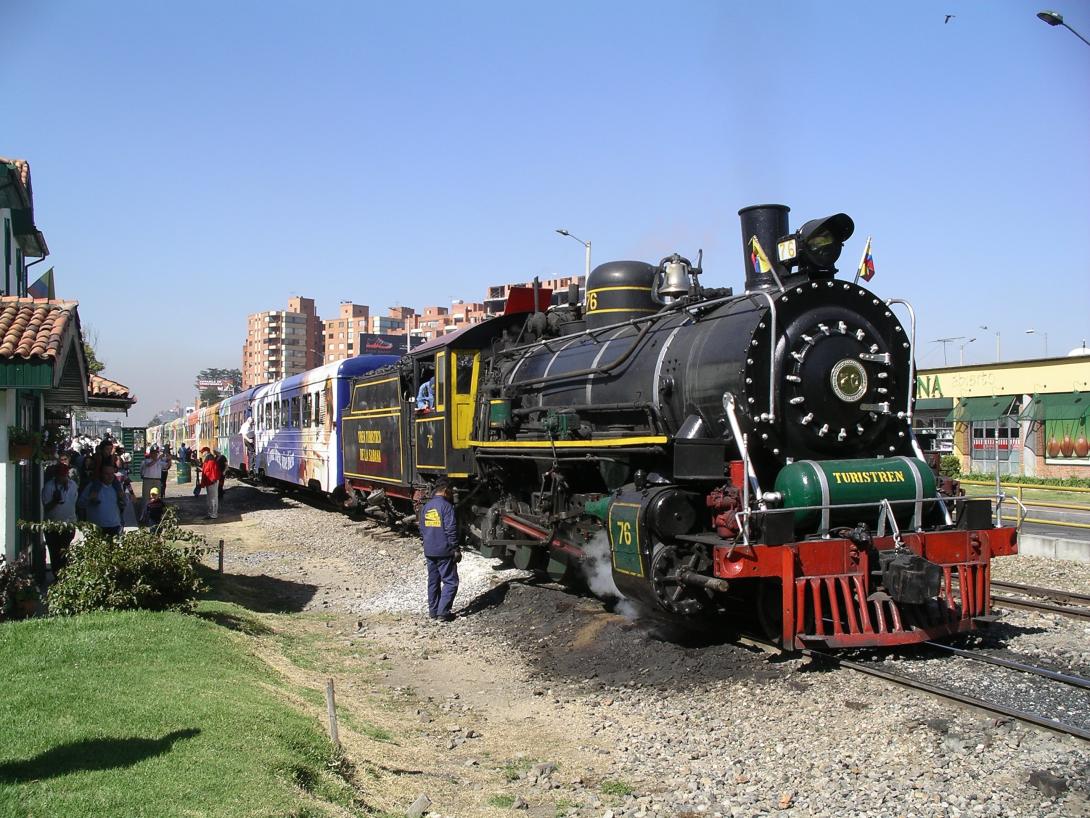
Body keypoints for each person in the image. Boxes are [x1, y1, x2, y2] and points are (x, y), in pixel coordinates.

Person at [420, 478, 460, 621]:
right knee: (451, 581)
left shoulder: (427, 506)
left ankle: (433, 611)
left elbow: (422, 528)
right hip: (444, 550)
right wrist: (455, 548)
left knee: (433, 581)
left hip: (429, 550)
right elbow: (451, 529)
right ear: (445, 490)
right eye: (451, 491)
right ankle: (443, 612)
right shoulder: (447, 507)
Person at [40, 463, 79, 575]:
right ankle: (57, 575)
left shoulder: (72, 485)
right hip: (53, 525)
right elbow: (46, 507)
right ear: (56, 475)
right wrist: (55, 501)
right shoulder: (49, 487)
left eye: (64, 475)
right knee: (54, 551)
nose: (63, 478)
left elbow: (74, 502)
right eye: (60, 475)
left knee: (64, 550)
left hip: (68, 523)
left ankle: (64, 574)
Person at [77, 460, 127, 536]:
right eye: (106, 474)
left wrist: (123, 501)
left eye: (111, 474)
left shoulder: (117, 487)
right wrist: (90, 499)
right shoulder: (92, 487)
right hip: (96, 527)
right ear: (101, 474)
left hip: (114, 526)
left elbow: (125, 503)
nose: (110, 476)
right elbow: (80, 504)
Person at [139, 446, 164, 521]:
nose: (155, 454)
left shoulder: (159, 462)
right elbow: (149, 465)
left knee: (157, 497)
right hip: (148, 480)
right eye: (154, 453)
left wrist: (169, 460)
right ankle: (143, 516)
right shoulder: (146, 461)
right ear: (151, 453)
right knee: (146, 498)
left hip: (157, 480)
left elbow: (166, 466)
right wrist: (158, 459)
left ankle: (156, 515)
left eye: (156, 453)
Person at [198, 447, 221, 519]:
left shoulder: (210, 458)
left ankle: (213, 514)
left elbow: (212, 470)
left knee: (212, 498)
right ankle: (211, 513)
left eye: (202, 452)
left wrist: (213, 479)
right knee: (211, 498)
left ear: (206, 452)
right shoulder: (208, 458)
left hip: (211, 481)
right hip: (210, 481)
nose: (202, 453)